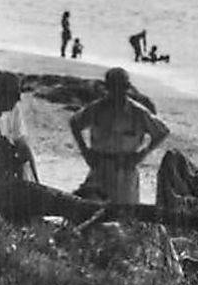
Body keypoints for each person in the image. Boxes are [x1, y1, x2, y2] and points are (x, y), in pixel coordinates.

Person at [68, 66, 169, 205]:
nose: (116, 92)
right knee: (93, 210)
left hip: (125, 168)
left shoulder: (137, 112)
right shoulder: (97, 109)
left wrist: (142, 154)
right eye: (112, 88)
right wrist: (85, 151)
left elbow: (162, 132)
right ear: (107, 88)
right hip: (100, 166)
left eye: (120, 88)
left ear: (126, 88)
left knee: (125, 213)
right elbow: (75, 122)